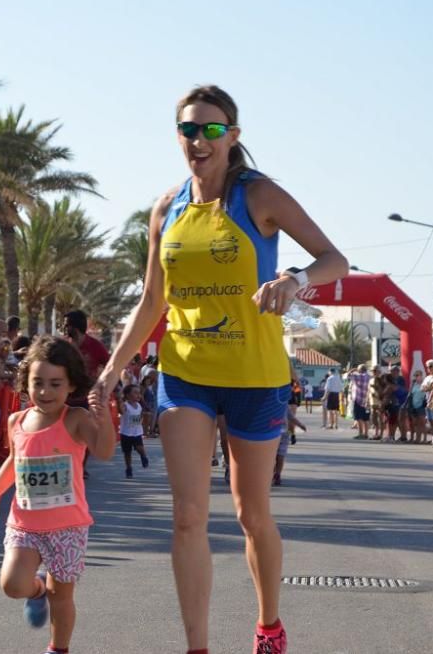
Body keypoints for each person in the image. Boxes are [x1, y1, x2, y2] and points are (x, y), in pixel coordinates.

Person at [95, 85, 347, 654]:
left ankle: (268, 625)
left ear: (233, 136)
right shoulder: (167, 208)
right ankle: (198, 647)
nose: (198, 140)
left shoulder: (259, 196)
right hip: (185, 372)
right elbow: (152, 301)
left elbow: (336, 259)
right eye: (188, 129)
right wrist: (112, 370)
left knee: (250, 512)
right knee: (187, 515)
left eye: (211, 129)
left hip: (255, 375)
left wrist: (293, 280)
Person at [0, 336, 115, 654]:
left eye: (55, 384)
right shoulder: (17, 421)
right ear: (25, 382)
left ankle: (58, 648)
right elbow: (15, 460)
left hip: (67, 527)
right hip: (24, 525)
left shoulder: (75, 420)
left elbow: (105, 450)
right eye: (37, 382)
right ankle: (35, 591)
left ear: (71, 385)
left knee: (62, 596)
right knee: (13, 585)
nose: (45, 392)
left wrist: (104, 416)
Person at [63, 309, 110, 480]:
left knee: (85, 434)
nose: (64, 327)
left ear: (75, 327)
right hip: (64, 397)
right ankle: (69, 465)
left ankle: (80, 466)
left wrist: (103, 384)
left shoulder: (95, 346)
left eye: (67, 325)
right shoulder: (64, 345)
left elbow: (109, 365)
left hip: (85, 397)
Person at [119, 384, 149, 478]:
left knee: (140, 447)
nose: (138, 395)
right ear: (127, 395)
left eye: (139, 393)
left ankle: (143, 456)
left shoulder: (139, 406)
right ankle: (129, 468)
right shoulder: (125, 405)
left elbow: (140, 416)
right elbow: (121, 411)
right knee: (127, 452)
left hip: (137, 432)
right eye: (135, 393)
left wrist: (141, 421)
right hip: (126, 433)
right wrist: (119, 401)